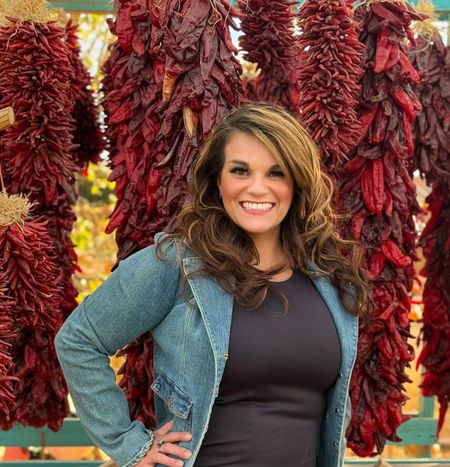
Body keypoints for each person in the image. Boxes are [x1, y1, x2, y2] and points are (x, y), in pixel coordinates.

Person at [55, 103, 371, 467]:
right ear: (218, 180)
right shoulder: (177, 264)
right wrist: (129, 445)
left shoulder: (327, 279)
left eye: (276, 172)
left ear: (297, 182)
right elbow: (79, 340)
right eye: (240, 170)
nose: (257, 187)